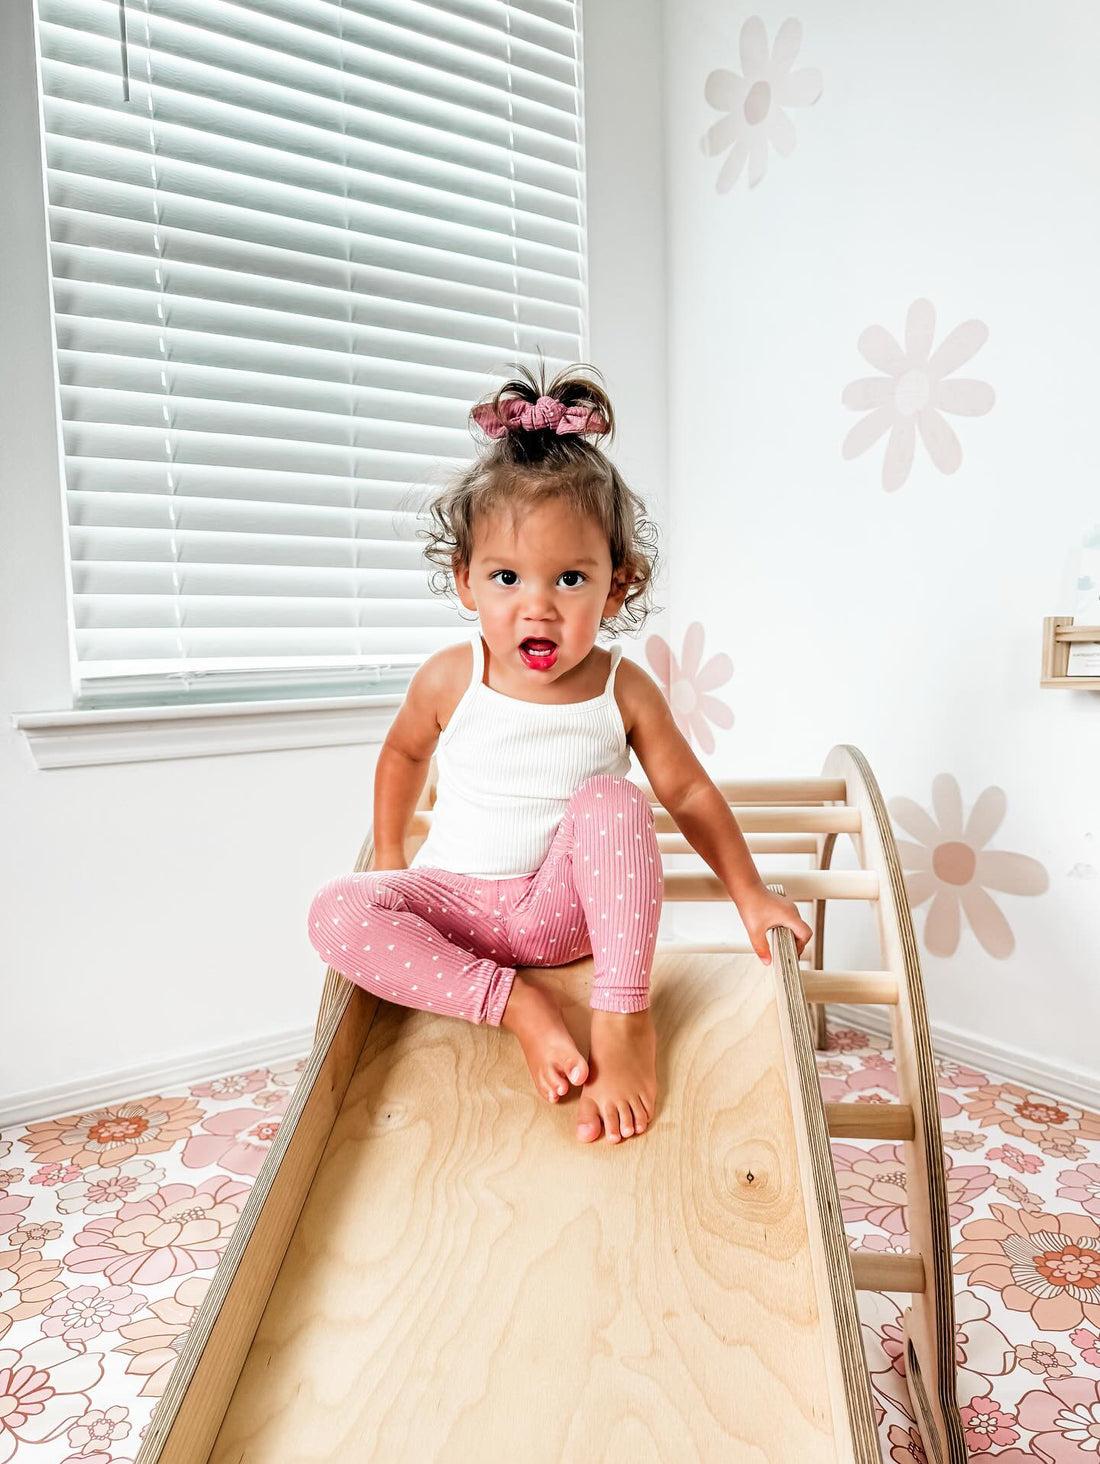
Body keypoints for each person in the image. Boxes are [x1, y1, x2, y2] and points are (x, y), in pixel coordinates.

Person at [308, 360, 813, 1145]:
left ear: (618, 586)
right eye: (506, 577)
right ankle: (515, 1004)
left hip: (561, 913)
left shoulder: (623, 687)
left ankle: (622, 1018)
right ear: (466, 581)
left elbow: (691, 796)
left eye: (571, 578)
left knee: (614, 801)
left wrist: (750, 894)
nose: (536, 606)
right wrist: (390, 853)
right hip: (455, 908)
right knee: (334, 908)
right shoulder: (451, 676)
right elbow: (405, 755)